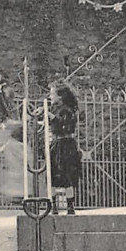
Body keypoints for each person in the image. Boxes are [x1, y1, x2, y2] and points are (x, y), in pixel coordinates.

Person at [47, 82, 82, 215]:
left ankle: (70, 207)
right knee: (54, 176)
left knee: (68, 176)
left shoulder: (67, 109)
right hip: (57, 145)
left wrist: (51, 117)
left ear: (59, 96)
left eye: (52, 94)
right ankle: (54, 206)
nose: (50, 96)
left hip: (66, 145)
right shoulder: (56, 108)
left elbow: (64, 125)